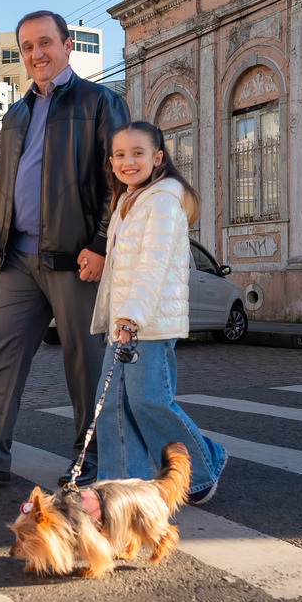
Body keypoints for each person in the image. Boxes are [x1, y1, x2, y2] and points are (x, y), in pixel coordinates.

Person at [0, 10, 130, 485]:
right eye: (26, 47)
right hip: (20, 258)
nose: (36, 54)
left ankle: (91, 462)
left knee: (85, 364)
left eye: (45, 43)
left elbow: (120, 180)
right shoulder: (17, 115)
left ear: (68, 46)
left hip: (75, 259)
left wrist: (102, 243)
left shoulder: (101, 102)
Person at [91, 121, 227, 504]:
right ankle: (121, 494)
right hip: (125, 324)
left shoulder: (164, 200)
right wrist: (114, 317)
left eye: (138, 153)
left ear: (158, 158)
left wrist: (131, 317)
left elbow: (153, 264)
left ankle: (202, 466)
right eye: (119, 154)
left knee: (149, 401)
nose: (128, 161)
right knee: (114, 407)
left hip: (147, 324)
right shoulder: (126, 203)